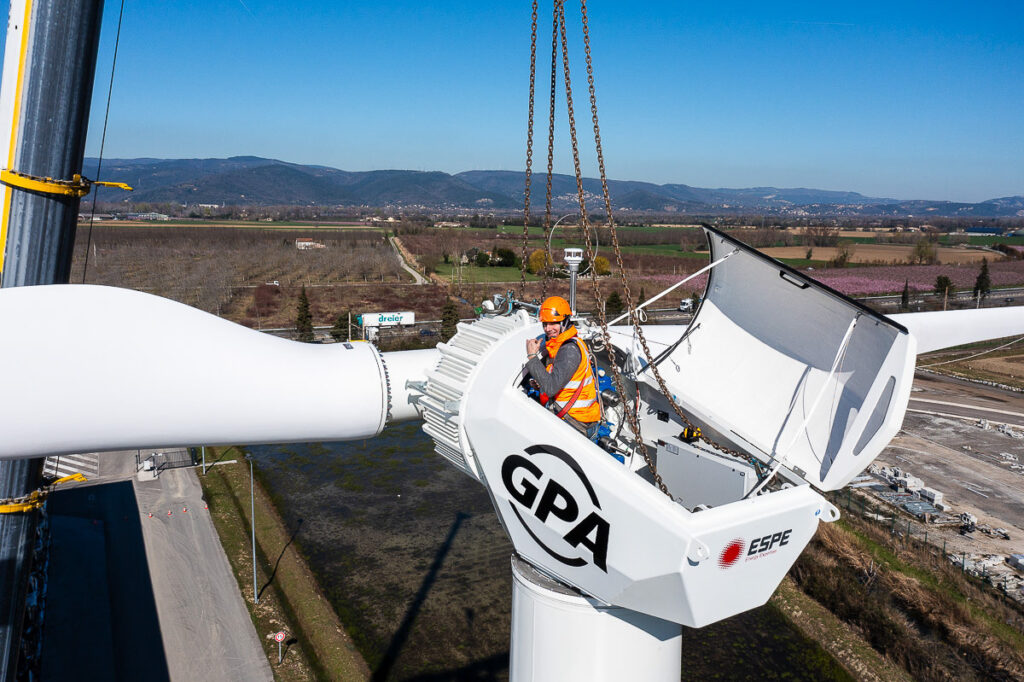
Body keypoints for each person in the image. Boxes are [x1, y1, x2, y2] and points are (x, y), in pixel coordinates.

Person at [525, 296, 601, 438]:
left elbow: (552, 387)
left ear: (565, 321)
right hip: (577, 418)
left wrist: (532, 357)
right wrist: (539, 383)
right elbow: (560, 380)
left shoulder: (569, 350)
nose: (548, 329)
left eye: (553, 324)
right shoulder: (563, 345)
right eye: (545, 324)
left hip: (575, 422)